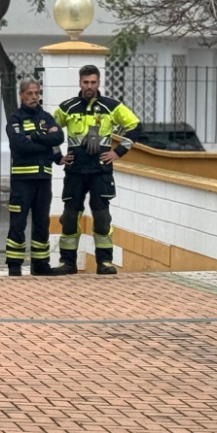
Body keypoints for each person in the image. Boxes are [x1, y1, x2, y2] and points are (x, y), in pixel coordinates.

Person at [53, 64, 141, 275]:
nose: (89, 86)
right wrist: (58, 157)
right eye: (86, 82)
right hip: (75, 171)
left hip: (101, 171)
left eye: (93, 82)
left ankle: (105, 262)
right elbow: (50, 131)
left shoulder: (112, 106)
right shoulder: (67, 107)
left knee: (102, 219)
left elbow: (136, 126)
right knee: (70, 217)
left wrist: (118, 152)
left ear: (99, 83)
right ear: (80, 82)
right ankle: (67, 263)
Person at [5, 78, 64, 276]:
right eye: (30, 93)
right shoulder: (15, 119)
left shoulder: (46, 117)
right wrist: (46, 146)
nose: (34, 97)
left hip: (43, 179)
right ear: (21, 95)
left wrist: (36, 137)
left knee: (41, 222)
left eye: (37, 93)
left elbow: (58, 137)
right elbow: (20, 145)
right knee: (18, 222)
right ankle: (14, 265)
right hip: (22, 181)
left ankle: (40, 265)